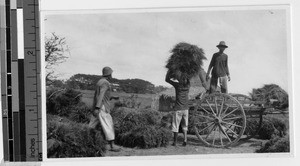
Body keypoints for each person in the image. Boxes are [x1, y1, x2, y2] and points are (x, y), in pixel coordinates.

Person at [89, 66, 120, 152]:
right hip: (102, 107)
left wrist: (112, 97)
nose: (112, 75)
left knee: (91, 126)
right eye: (111, 73)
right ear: (109, 74)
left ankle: (85, 140)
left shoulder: (100, 81)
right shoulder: (106, 83)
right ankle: (112, 145)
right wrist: (98, 108)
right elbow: (101, 95)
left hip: (97, 106)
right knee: (108, 124)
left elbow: (101, 94)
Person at [165, 70, 191, 146]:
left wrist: (169, 71)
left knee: (176, 126)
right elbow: (188, 79)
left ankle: (175, 142)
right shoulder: (188, 86)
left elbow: (167, 79)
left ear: (180, 79)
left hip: (178, 109)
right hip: (186, 109)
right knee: (185, 126)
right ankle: (185, 140)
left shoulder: (177, 85)